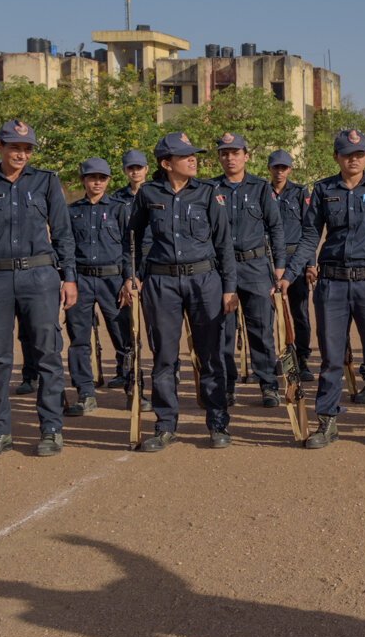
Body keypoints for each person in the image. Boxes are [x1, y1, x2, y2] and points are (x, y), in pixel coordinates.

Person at [0, 121, 78, 459]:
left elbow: (62, 232)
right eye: (15, 146)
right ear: (0, 146)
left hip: (39, 278)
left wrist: (69, 276)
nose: (21, 153)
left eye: (27, 148)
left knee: (47, 354)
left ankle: (50, 430)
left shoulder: (46, 181)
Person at [120, 133, 238, 450]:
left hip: (204, 281)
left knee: (211, 356)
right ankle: (165, 426)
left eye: (193, 154)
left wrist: (229, 288)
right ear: (166, 163)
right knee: (164, 358)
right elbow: (132, 240)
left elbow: (224, 244)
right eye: (185, 156)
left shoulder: (208, 193)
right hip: (162, 284)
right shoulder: (147, 193)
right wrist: (132, 275)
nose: (193, 159)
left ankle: (217, 424)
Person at [291, 128, 365, 448]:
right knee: (330, 359)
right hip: (333, 286)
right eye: (347, 155)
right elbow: (310, 238)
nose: (354, 160)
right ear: (336, 157)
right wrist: (290, 275)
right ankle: (327, 423)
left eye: (359, 155)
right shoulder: (324, 190)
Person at [210, 133, 286, 408]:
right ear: (219, 157)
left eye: (235, 152)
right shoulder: (209, 189)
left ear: (246, 155)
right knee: (222, 334)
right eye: (224, 153)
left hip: (254, 268)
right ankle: (227, 386)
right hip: (220, 270)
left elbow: (276, 228)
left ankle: (268, 386)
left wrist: (279, 268)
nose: (229, 158)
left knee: (261, 330)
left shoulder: (261, 188)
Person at [64, 158, 130, 417]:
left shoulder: (119, 209)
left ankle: (131, 385)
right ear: (83, 180)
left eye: (102, 178)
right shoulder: (72, 211)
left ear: (108, 180)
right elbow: (66, 248)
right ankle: (85, 392)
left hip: (112, 281)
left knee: (123, 335)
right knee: (78, 339)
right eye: (92, 178)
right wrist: (68, 278)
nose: (97, 182)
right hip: (80, 280)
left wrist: (129, 279)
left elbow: (129, 248)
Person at [105, 148, 150, 390]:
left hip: (152, 258)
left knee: (157, 319)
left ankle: (169, 368)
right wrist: (126, 275)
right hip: (125, 258)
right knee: (124, 319)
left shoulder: (155, 193)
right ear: (124, 171)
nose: (135, 171)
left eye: (139, 167)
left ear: (146, 169)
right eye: (130, 168)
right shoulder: (115, 199)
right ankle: (125, 369)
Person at [268, 150, 314, 381]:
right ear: (270, 169)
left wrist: (310, 265)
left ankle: (303, 359)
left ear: (290, 169)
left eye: (284, 167)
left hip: (296, 259)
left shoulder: (299, 192)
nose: (280, 171)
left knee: (299, 313)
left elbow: (310, 230)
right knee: (270, 315)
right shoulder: (262, 192)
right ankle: (275, 360)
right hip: (269, 261)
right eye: (276, 167)